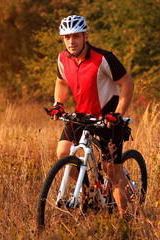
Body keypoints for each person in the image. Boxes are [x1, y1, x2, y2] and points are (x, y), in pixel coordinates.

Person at [48, 15, 134, 217]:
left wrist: (118, 114)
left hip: (108, 119)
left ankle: (126, 222)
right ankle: (89, 191)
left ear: (85, 36)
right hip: (82, 115)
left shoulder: (104, 58)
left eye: (76, 36)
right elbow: (61, 81)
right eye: (67, 37)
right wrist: (58, 104)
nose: (71, 41)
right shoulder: (62, 58)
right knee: (63, 153)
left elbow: (127, 83)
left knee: (112, 171)